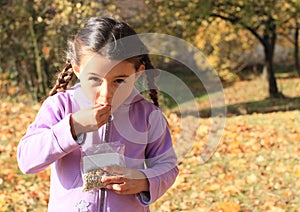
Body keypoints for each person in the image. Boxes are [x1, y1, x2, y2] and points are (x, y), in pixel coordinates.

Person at [17, 17, 178, 212]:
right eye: (94, 79)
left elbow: (167, 166)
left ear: (137, 74)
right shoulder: (61, 106)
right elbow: (26, 160)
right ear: (77, 70)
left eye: (119, 81)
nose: (106, 93)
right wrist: (73, 128)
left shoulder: (148, 115)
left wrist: (143, 181)